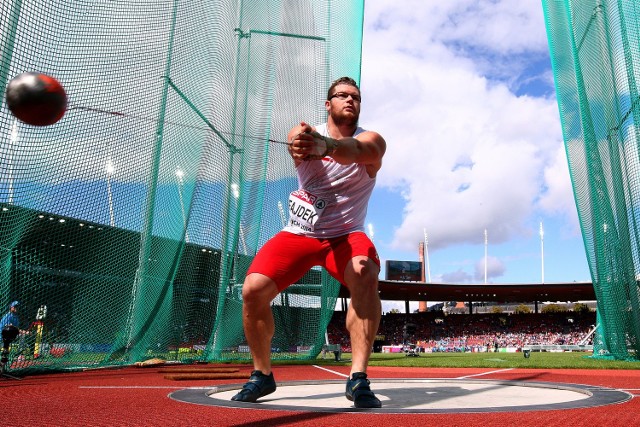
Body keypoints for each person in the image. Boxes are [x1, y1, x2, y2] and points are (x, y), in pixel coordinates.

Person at [231, 77, 386, 408]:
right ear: (328, 104)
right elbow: (296, 138)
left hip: (346, 234)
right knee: (252, 290)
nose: (350, 101)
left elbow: (358, 151)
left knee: (365, 273)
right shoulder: (306, 133)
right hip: (300, 233)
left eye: (356, 97)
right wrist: (301, 141)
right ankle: (262, 375)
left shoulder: (372, 141)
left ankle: (358, 379)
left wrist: (326, 147)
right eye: (342, 96)